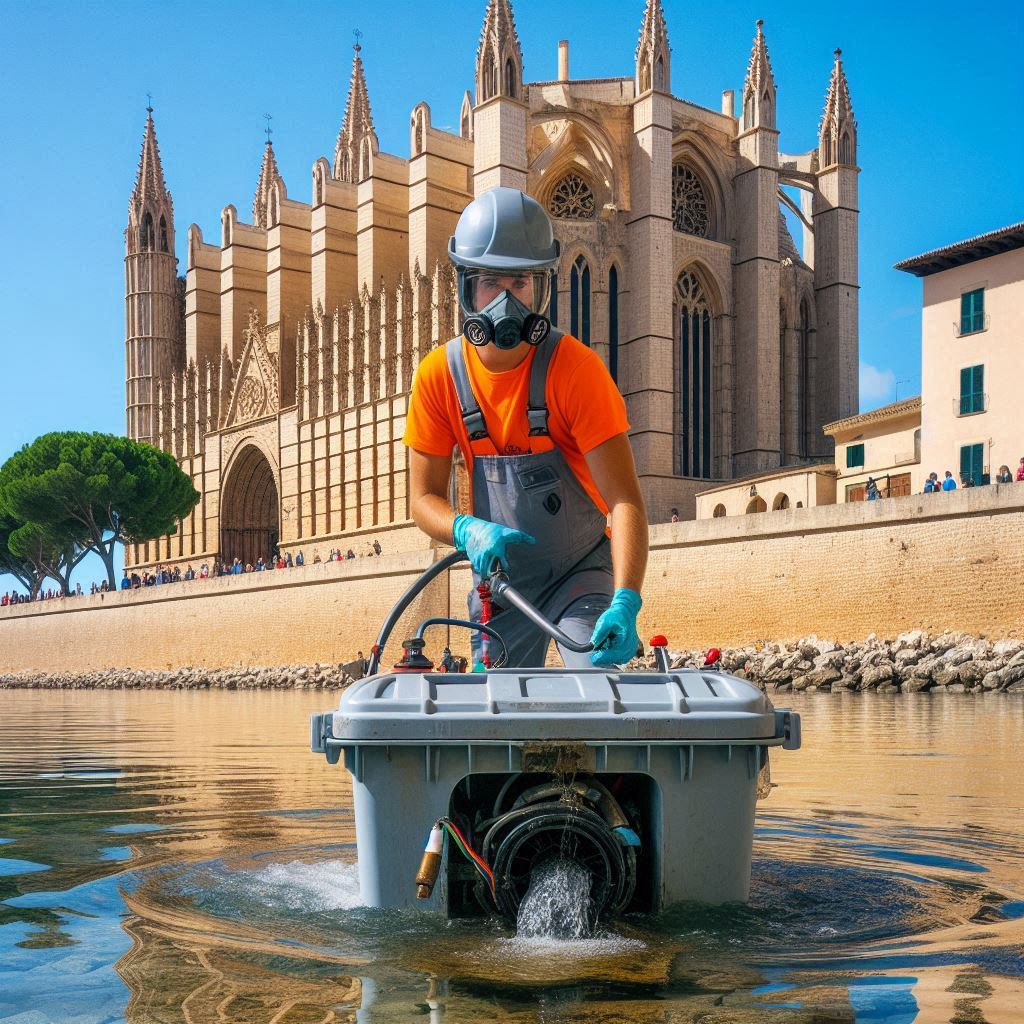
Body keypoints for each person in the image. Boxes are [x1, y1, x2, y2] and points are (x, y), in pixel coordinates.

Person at [402, 186, 648, 669]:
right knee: (496, 706)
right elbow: (421, 498)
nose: (506, 302)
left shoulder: (577, 370)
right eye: (491, 283)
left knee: (592, 678)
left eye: (521, 284)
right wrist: (463, 529)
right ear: (466, 287)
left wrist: (626, 598)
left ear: (543, 287)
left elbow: (624, 501)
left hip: (581, 572)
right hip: (502, 584)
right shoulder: (438, 376)